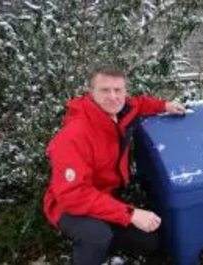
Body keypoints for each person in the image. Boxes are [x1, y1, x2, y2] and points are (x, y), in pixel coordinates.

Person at [43, 66, 186, 265]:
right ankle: (90, 248)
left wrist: (165, 105)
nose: (113, 96)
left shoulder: (122, 111)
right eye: (105, 90)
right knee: (96, 236)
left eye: (118, 90)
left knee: (149, 240)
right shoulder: (73, 136)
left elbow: (141, 104)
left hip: (106, 197)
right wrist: (130, 214)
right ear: (91, 93)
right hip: (68, 206)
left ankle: (110, 248)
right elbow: (73, 195)